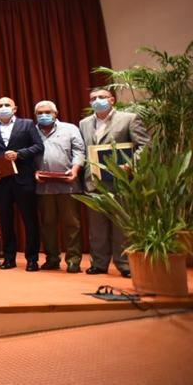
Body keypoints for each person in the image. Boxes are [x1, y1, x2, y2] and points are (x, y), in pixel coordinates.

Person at [79, 87, 150, 277]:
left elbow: (144, 146)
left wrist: (129, 165)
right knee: (97, 227)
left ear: (112, 100)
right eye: (93, 98)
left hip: (121, 181)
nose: (97, 100)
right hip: (94, 181)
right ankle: (99, 264)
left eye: (101, 97)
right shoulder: (84, 123)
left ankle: (125, 265)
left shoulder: (129, 118)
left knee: (121, 225)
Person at [0, 97, 44, 271]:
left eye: (7, 105)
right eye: (0, 106)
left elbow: (38, 146)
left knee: (30, 220)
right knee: (6, 222)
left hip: (23, 179)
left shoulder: (27, 124)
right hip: (1, 181)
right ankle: (9, 258)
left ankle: (32, 259)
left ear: (14, 108)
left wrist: (19, 154)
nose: (3, 108)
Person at [33, 100, 85, 273]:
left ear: (56, 114)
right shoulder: (31, 131)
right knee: (47, 224)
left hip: (68, 185)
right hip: (44, 187)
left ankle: (74, 260)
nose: (43, 115)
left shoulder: (70, 129)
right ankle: (52, 258)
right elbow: (26, 155)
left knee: (72, 224)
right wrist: (33, 172)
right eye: (39, 113)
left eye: (47, 112)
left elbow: (79, 151)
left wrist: (75, 169)